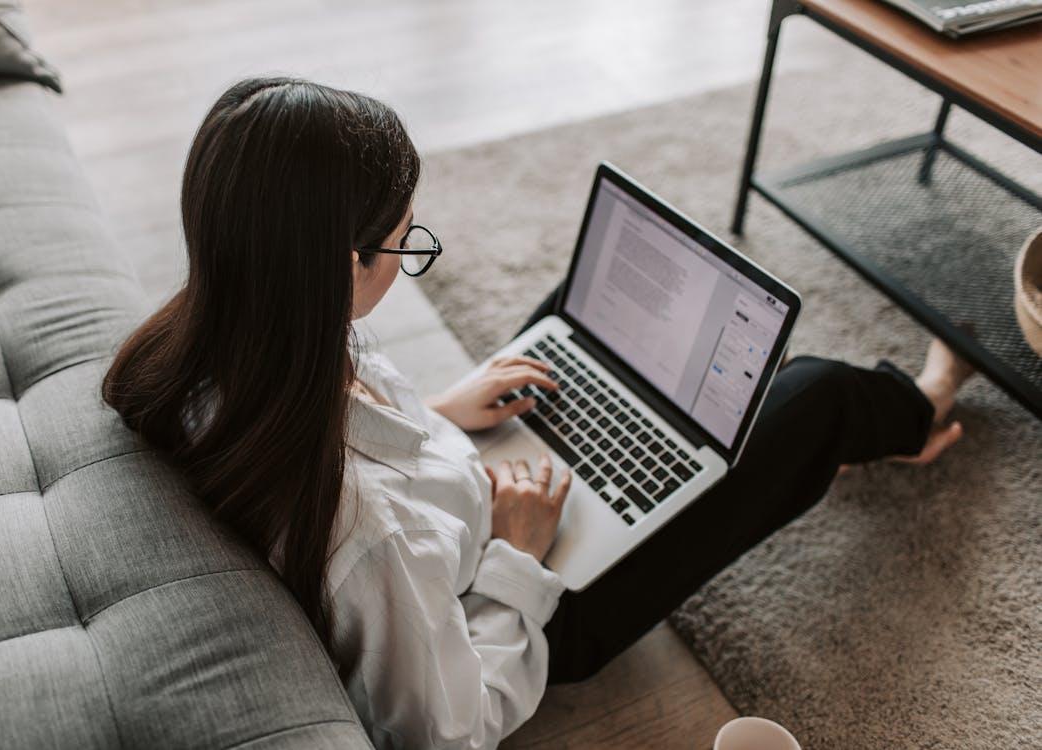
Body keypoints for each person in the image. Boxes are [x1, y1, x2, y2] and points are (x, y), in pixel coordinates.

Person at [102, 77, 974, 749]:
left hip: (462, 499)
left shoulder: (217, 342)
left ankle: (723, 397)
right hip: (533, 606)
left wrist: (438, 414)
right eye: (404, 242)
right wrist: (517, 558)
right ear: (337, 264)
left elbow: (353, 447)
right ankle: (917, 411)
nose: (412, 249)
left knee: (582, 321)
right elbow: (451, 729)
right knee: (814, 395)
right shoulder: (368, 538)